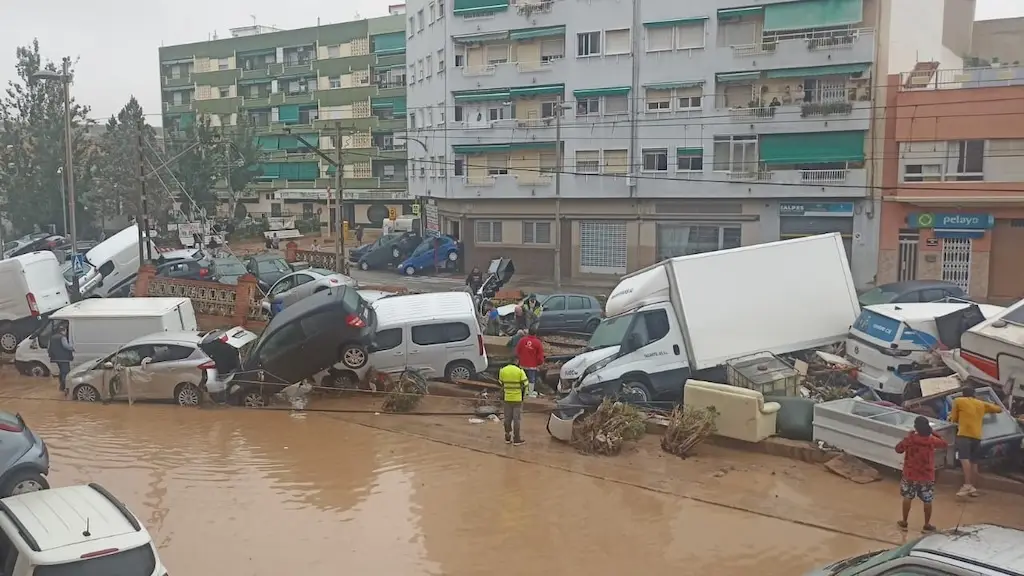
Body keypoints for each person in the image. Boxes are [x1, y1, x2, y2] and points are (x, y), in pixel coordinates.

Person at [895, 416, 947, 532]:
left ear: (916, 427)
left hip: (910, 474)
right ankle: (927, 525)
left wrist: (909, 436)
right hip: (926, 476)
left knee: (907, 497)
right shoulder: (931, 440)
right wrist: (934, 433)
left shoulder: (910, 439)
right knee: (927, 500)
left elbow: (898, 449)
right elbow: (944, 443)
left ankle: (904, 522)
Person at [949, 386, 1002, 497]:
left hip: (964, 434)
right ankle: (973, 488)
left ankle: (967, 484)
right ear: (974, 395)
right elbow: (998, 409)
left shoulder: (958, 401)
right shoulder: (981, 404)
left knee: (964, 459)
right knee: (974, 461)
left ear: (963, 394)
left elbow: (953, 418)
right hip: (977, 436)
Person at [498, 358, 529, 445]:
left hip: (507, 398)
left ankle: (507, 437)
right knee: (517, 420)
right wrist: (524, 395)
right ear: (516, 361)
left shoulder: (502, 371)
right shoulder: (519, 371)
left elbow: (501, 383)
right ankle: (516, 439)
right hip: (517, 399)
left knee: (507, 418)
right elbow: (526, 384)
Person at [515, 326, 545, 398]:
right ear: (535, 333)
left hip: (522, 364)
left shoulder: (522, 340)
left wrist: (520, 358)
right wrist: (539, 363)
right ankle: (530, 393)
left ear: (528, 332)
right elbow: (540, 356)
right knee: (531, 379)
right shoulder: (538, 343)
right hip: (532, 365)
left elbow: (517, 351)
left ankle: (523, 392)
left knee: (522, 378)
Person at [48, 322, 74, 396]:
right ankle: (65, 388)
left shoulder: (52, 337)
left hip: (56, 358)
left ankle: (61, 387)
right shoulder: (62, 337)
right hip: (64, 358)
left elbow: (48, 348)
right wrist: (73, 348)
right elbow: (66, 346)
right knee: (65, 372)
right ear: (63, 331)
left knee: (61, 372)